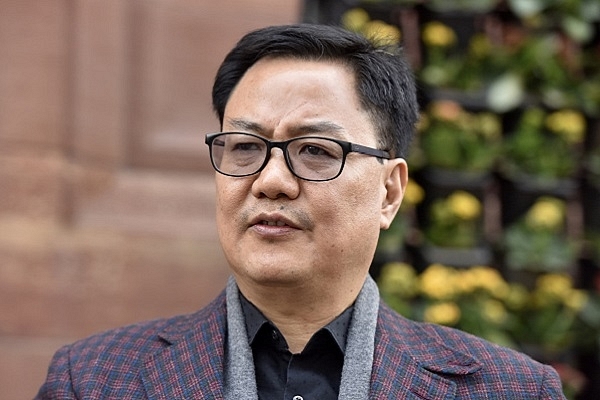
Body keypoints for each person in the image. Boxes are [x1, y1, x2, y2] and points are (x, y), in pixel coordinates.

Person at [36, 23, 565, 399]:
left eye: (314, 151)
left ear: (388, 192)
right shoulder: (94, 381)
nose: (269, 181)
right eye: (244, 148)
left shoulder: (508, 388)